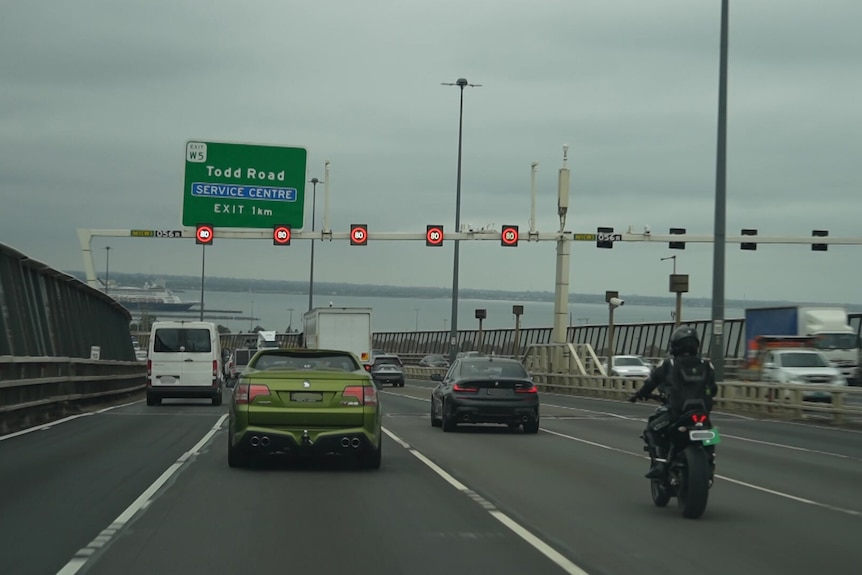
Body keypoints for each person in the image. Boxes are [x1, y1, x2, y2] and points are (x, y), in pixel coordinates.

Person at [628, 325, 718, 479]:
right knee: (711, 433)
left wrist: (639, 395)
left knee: (652, 429)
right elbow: (713, 389)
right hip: (702, 414)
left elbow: (651, 382)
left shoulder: (669, 364)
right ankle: (710, 461)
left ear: (675, 344)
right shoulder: (706, 364)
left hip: (676, 414)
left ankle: (660, 464)